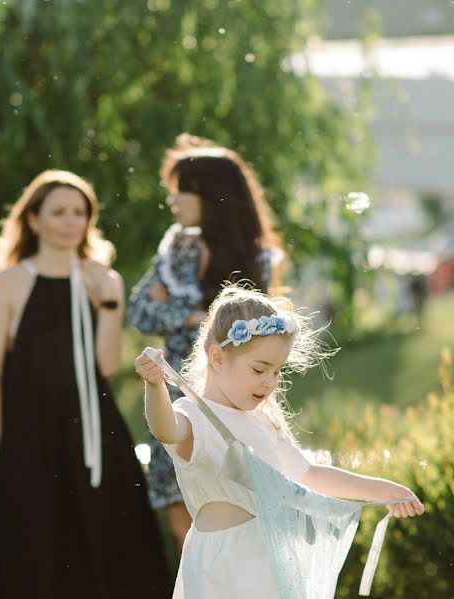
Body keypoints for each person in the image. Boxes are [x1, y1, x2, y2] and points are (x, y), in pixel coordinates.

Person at [133, 284, 424, 598]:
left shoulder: (263, 421)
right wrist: (155, 387)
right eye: (259, 369)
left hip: (268, 563)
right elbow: (165, 430)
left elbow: (310, 475)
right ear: (218, 357)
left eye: (276, 371)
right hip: (222, 569)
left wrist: (382, 490)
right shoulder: (194, 416)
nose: (269, 383)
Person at [0, 170, 171, 598]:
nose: (70, 221)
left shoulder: (103, 280)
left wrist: (107, 303)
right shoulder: (7, 282)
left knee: (104, 546)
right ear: (34, 219)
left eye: (80, 212)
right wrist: (0, 448)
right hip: (26, 435)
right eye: (58, 212)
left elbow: (107, 364)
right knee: (29, 552)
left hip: (93, 433)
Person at [127, 133, 285, 551]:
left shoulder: (258, 258)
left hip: (235, 399)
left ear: (209, 195)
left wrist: (184, 314)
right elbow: (139, 310)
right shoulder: (175, 250)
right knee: (186, 527)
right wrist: (194, 316)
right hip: (177, 392)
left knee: (236, 518)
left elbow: (261, 336)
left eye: (182, 192)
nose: (172, 202)